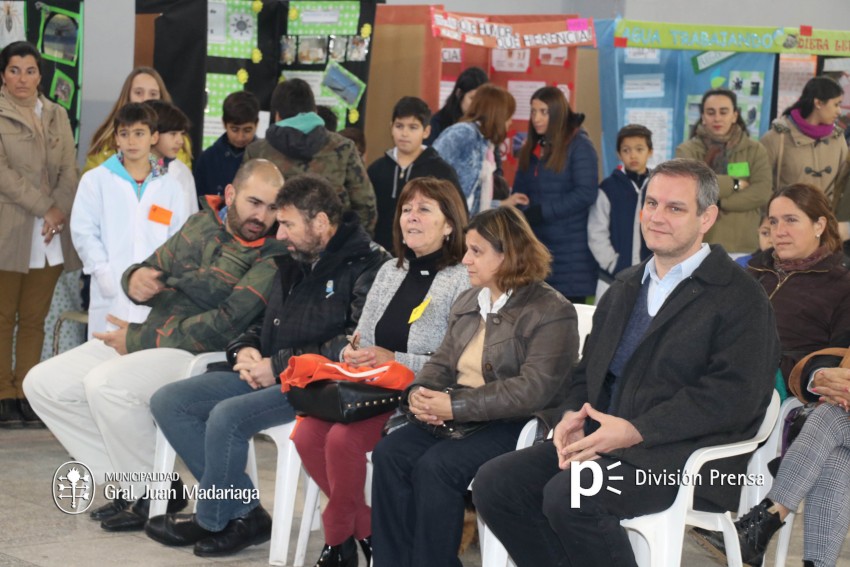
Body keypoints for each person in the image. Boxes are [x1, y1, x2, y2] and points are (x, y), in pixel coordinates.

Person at [473, 158, 780, 567]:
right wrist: (567, 417)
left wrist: (635, 431)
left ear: (707, 217)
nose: (656, 217)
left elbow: (734, 397)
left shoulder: (739, 295)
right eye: (651, 204)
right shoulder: (624, 288)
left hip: (684, 459)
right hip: (604, 440)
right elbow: (588, 374)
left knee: (569, 496)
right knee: (496, 484)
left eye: (675, 208)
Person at [24, 159, 287, 531]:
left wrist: (136, 337)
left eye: (273, 207)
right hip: (149, 335)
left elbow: (225, 323)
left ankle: (149, 490)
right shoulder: (200, 223)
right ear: (231, 194)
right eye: (254, 202)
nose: (262, 215)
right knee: (43, 384)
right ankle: (145, 482)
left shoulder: (273, 254)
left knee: (106, 385)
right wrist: (134, 281)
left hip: (197, 356)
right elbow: (148, 267)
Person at [145, 174, 389, 558]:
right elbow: (265, 320)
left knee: (226, 417)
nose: (280, 233)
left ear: (321, 223)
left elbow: (352, 342)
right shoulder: (295, 257)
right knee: (169, 401)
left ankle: (211, 519)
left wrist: (277, 366)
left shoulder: (369, 265)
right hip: (273, 373)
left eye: (288, 224)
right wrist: (243, 350)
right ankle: (243, 511)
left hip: (318, 385)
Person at [370, 206, 580, 567]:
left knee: (436, 467)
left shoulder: (551, 310)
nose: (465, 259)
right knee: (390, 453)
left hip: (514, 422)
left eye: (477, 251)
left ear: (508, 254)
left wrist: (454, 407)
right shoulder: (470, 300)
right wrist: (419, 394)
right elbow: (442, 360)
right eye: (467, 248)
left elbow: (532, 391)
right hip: (460, 414)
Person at [292, 177, 470, 566]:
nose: (411, 217)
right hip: (368, 389)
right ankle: (367, 527)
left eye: (424, 209)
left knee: (342, 442)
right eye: (407, 209)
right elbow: (361, 337)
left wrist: (395, 359)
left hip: (417, 397)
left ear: (450, 224)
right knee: (306, 434)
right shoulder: (391, 270)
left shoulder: (463, 279)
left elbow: (456, 363)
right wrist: (352, 352)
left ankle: (338, 540)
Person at [692, 183, 850, 567]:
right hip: (738, 380)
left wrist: (816, 376)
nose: (779, 230)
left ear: (819, 225)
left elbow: (839, 355)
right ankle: (775, 534)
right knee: (838, 444)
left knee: (834, 418)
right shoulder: (750, 271)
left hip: (794, 389)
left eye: (791, 220)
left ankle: (764, 520)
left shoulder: (842, 285)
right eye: (773, 221)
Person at [0, 41, 80, 428]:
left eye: (30, 70)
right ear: (3, 74)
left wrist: (59, 209)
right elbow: (4, 176)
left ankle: (25, 393)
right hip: (9, 229)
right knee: (2, 318)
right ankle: (2, 393)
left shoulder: (56, 114)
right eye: (14, 70)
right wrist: (43, 207)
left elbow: (69, 168)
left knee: (34, 318)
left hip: (50, 234)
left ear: (40, 75)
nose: (22, 78)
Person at [71, 102, 191, 339]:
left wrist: (161, 279)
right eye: (124, 134)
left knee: (144, 366)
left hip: (154, 291)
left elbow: (178, 241)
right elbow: (83, 231)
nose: (131, 141)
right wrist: (102, 270)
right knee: (101, 363)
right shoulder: (96, 181)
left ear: (154, 137)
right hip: (109, 288)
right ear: (116, 139)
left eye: (139, 134)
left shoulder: (171, 188)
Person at [244, 78, 377, 234]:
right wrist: (347, 246)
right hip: (332, 249)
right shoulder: (344, 148)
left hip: (273, 248)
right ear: (314, 111)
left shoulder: (257, 152)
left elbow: (246, 206)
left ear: (277, 115)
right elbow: (366, 206)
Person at [513, 86, 599, 304]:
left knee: (566, 326)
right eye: (533, 112)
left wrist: (541, 212)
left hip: (570, 253)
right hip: (535, 247)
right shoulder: (531, 146)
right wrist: (521, 210)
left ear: (557, 113)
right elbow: (519, 191)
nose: (536, 118)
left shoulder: (580, 145)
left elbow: (586, 193)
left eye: (543, 112)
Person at [676, 88, 772, 256]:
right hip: (698, 246)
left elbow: (761, 193)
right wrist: (734, 184)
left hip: (743, 245)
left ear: (734, 115)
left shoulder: (755, 150)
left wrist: (719, 204)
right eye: (711, 112)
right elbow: (691, 189)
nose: (717, 118)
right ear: (703, 117)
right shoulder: (687, 151)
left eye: (724, 112)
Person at [368, 96, 464, 251]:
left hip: (428, 256)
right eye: (399, 126)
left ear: (426, 131)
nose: (404, 133)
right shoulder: (376, 169)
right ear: (391, 127)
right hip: (380, 255)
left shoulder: (442, 171)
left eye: (413, 127)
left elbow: (457, 217)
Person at [588, 124, 653, 301]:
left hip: (652, 276)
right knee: (607, 324)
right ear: (618, 154)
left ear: (650, 152)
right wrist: (613, 263)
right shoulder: (608, 188)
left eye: (639, 149)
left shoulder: (659, 186)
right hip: (612, 277)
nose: (633, 155)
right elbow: (596, 231)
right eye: (626, 150)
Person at [85, 67, 192, 173]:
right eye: (138, 93)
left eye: (153, 94)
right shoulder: (107, 141)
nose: (146, 99)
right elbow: (91, 182)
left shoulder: (179, 140)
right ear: (127, 97)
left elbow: (183, 182)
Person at [432, 84, 515, 215]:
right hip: (446, 222)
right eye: (508, 116)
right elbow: (431, 171)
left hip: (465, 224)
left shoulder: (485, 143)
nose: (511, 121)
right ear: (497, 114)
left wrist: (500, 204)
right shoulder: (464, 133)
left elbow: (475, 200)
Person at [761, 76, 847, 196]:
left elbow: (844, 184)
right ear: (818, 103)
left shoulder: (838, 138)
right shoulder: (776, 138)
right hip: (786, 213)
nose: (839, 111)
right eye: (836, 104)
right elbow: (759, 185)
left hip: (826, 214)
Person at [194, 90, 260, 198]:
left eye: (247, 130)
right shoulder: (208, 159)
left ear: (256, 124)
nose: (240, 137)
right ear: (224, 124)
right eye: (234, 129)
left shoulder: (266, 157)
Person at [144, 100, 199, 215]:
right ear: (153, 133)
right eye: (173, 134)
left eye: (182, 134)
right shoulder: (127, 170)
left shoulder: (183, 172)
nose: (180, 141)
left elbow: (191, 218)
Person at [425, 66, 488, 145]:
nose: (477, 105)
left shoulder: (486, 124)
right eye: (472, 98)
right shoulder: (438, 123)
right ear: (459, 94)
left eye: (482, 100)